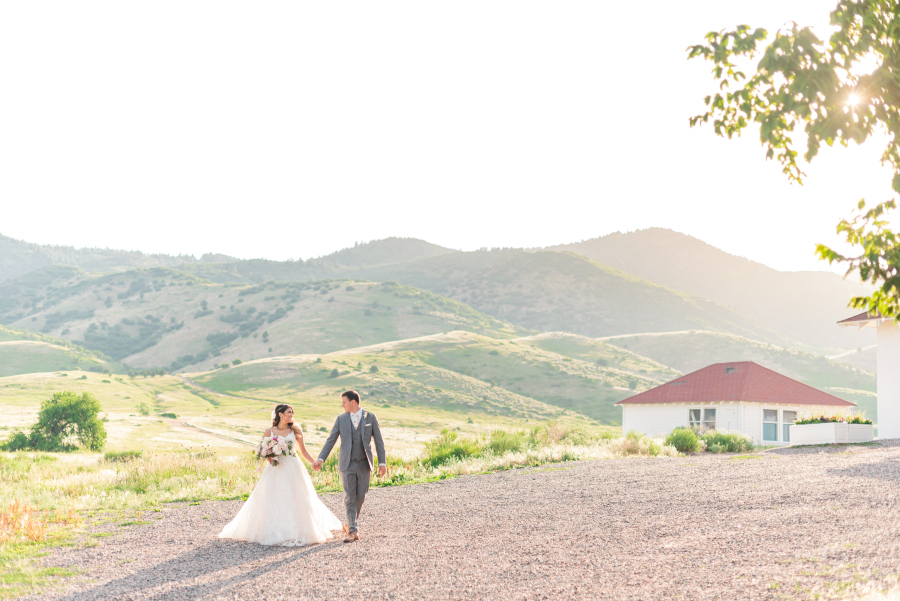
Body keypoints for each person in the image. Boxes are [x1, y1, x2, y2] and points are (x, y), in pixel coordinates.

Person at [219, 404, 342, 546]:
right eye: (289, 413)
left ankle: (300, 529)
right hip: (275, 469)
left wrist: (314, 462)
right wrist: (269, 457)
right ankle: (276, 530)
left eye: (292, 413)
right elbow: (264, 450)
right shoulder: (269, 432)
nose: (292, 415)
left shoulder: (295, 430)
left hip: (293, 467)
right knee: (275, 497)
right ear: (280, 415)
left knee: (297, 496)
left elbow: (303, 451)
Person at [313, 390, 386, 543]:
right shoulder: (341, 419)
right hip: (346, 464)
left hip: (364, 463)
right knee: (349, 497)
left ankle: (348, 524)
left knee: (361, 495)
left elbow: (379, 441)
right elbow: (331, 439)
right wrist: (321, 458)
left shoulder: (370, 417)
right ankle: (353, 531)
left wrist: (382, 463)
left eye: (344, 402)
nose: (342, 405)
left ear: (353, 402)